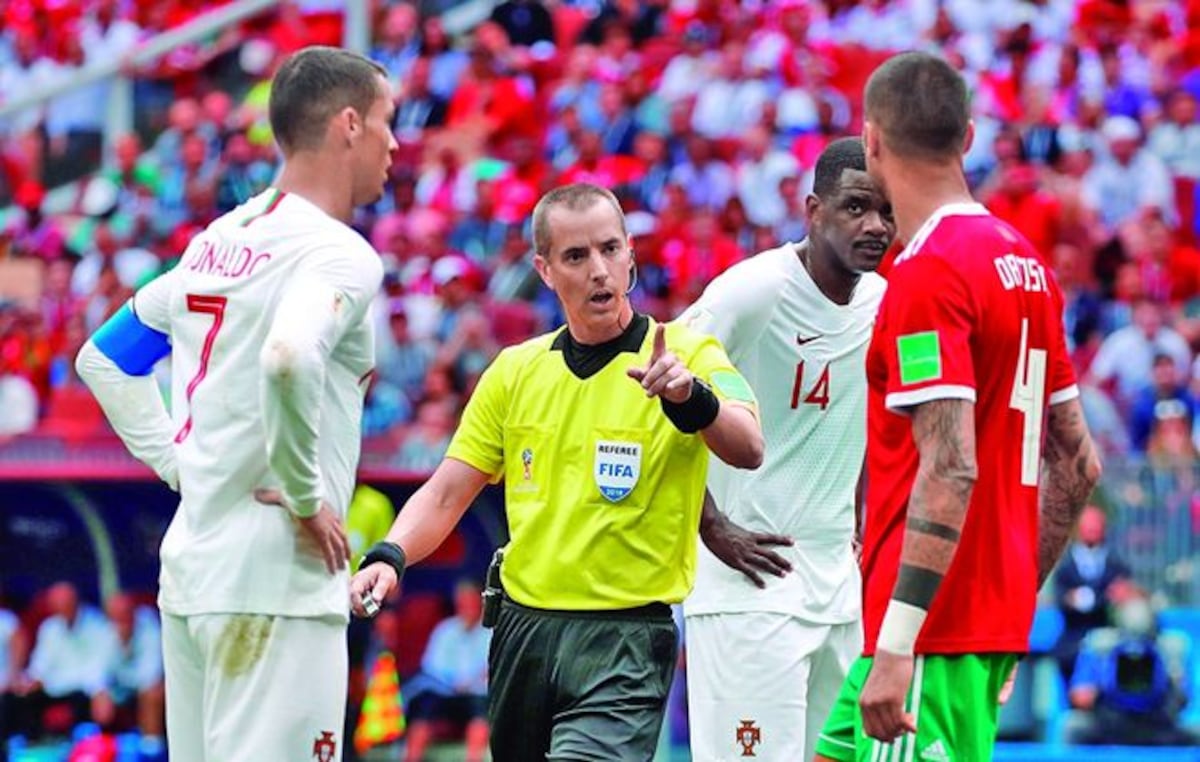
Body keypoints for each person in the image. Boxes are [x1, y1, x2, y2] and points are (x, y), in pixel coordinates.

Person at [351, 182, 764, 761]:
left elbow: (748, 445)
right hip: (524, 635)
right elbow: (447, 492)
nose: (599, 269)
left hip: (625, 638)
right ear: (544, 270)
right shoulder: (514, 371)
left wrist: (691, 398)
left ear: (630, 257)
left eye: (610, 249)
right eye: (577, 256)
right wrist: (390, 553)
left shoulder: (687, 356)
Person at [75, 46, 398, 762]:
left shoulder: (213, 246)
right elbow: (288, 356)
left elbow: (104, 357)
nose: (395, 143)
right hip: (280, 584)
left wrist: (178, 464)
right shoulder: (339, 255)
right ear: (349, 125)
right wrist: (308, 496)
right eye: (387, 122)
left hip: (194, 575)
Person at [814, 51, 1103, 762]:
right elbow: (1078, 462)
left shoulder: (927, 275)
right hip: (970, 624)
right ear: (969, 137)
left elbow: (951, 465)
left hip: (926, 638)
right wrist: (1011, 607)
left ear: (871, 142)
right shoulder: (1026, 264)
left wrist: (899, 646)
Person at [680, 137, 894, 762]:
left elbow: (859, 420)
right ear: (814, 210)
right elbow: (653, 389)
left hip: (836, 588)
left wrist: (857, 513)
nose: (875, 225)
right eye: (856, 207)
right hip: (749, 588)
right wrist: (710, 525)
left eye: (886, 210)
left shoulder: (883, 302)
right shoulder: (754, 291)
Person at [402, 579, 491, 762]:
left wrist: (470, 681)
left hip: (477, 695)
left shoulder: (491, 632)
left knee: (481, 711)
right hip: (445, 692)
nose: (465, 607)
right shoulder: (445, 630)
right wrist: (454, 681)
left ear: (480, 602)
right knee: (425, 707)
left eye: (470, 601)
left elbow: (490, 670)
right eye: (461, 602)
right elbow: (431, 668)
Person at [1052, 505, 1132, 683]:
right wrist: (1070, 599)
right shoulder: (1066, 565)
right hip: (1074, 635)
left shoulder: (1116, 563)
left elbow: (1123, 590)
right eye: (1088, 525)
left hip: (1107, 631)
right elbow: (1060, 596)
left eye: (1096, 525)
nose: (1092, 530)